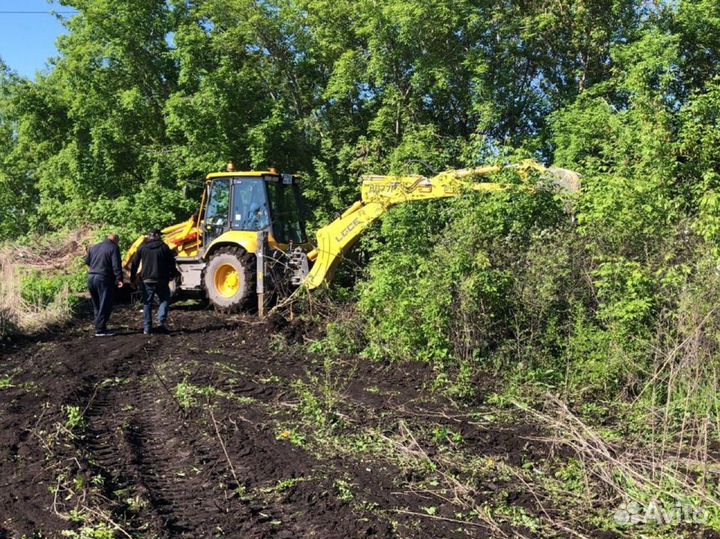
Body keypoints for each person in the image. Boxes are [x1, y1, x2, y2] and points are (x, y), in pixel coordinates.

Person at [130, 229, 178, 335]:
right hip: (161, 278)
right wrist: (173, 274)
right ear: (157, 236)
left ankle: (147, 328)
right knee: (165, 299)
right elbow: (172, 262)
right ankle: (161, 322)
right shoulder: (164, 247)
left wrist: (132, 278)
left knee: (147, 303)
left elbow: (135, 263)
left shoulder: (142, 247)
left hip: (146, 279)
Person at [85, 234, 124, 337]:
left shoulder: (94, 247)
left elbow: (87, 261)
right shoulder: (114, 247)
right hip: (103, 278)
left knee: (96, 303)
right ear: (116, 240)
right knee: (105, 303)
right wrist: (119, 278)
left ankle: (98, 326)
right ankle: (101, 329)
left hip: (91, 277)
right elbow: (116, 264)